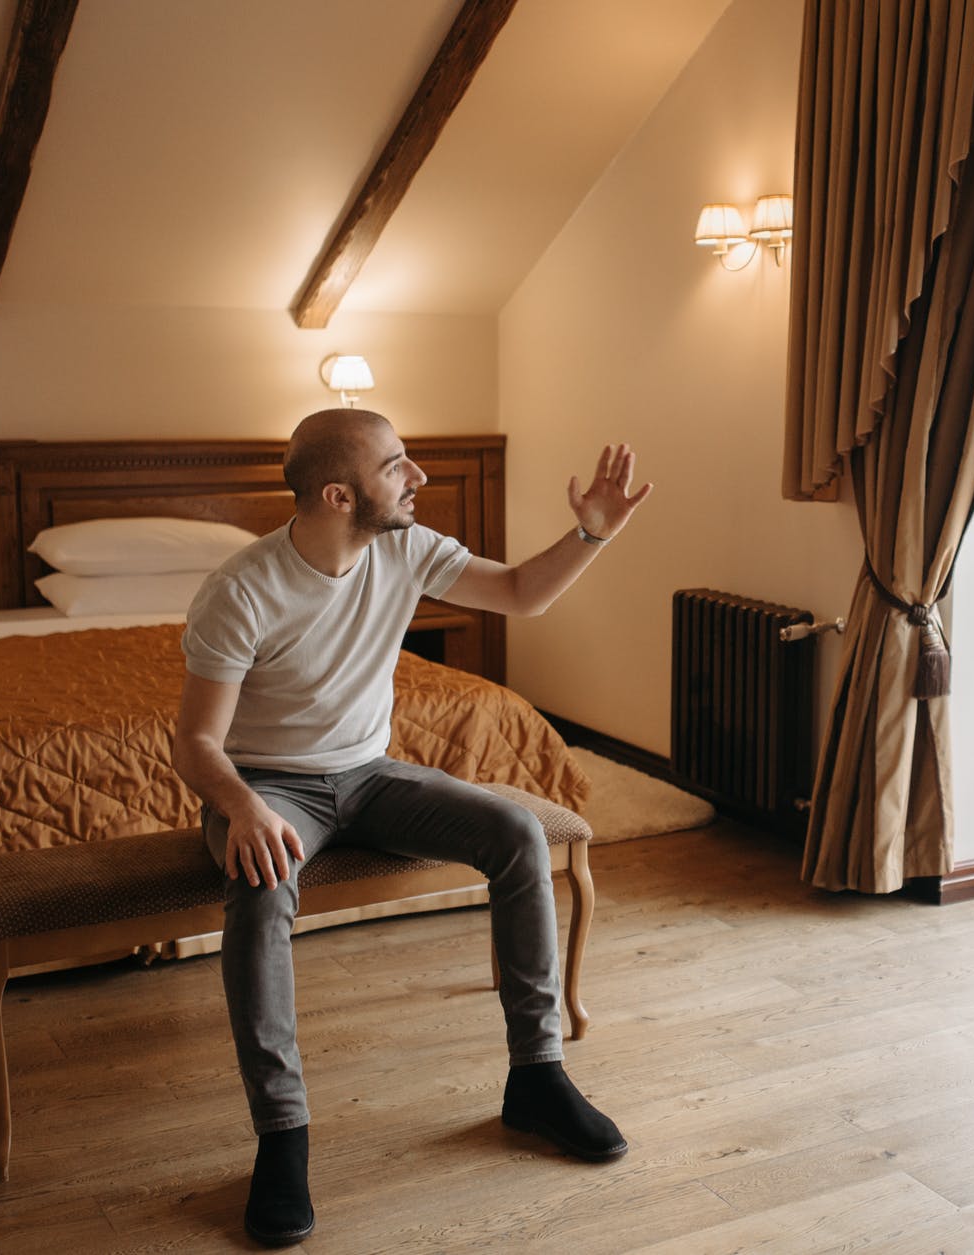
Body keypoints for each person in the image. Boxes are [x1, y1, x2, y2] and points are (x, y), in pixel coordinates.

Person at [172, 408, 652, 1245]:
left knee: (517, 832)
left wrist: (589, 535)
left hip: (368, 773)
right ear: (337, 494)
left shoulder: (405, 547)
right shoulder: (242, 589)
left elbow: (518, 594)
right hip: (270, 786)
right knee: (259, 887)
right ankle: (283, 1135)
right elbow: (196, 743)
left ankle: (537, 1078)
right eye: (396, 467)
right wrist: (242, 806)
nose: (418, 478)